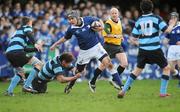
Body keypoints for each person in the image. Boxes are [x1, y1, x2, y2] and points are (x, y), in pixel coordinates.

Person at [50, 10, 122, 94]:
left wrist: (102, 27)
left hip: (96, 47)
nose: (70, 21)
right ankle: (70, 85)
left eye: (72, 19)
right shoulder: (71, 29)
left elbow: (99, 20)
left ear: (77, 17)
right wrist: (55, 44)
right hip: (84, 52)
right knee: (78, 72)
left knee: (109, 64)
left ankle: (121, 85)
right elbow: (65, 38)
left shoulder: (87, 19)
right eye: (69, 19)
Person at [117, 0, 177, 98]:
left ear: (141, 9)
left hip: (143, 50)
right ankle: (162, 93)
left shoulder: (139, 20)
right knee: (166, 68)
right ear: (152, 8)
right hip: (155, 49)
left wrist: (141, 42)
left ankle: (123, 90)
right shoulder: (156, 18)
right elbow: (167, 31)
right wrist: (172, 23)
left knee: (137, 70)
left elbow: (134, 37)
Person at [88, 7, 128, 92]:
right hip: (108, 46)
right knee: (102, 66)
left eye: (115, 13)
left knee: (124, 63)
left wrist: (121, 37)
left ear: (118, 14)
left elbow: (119, 32)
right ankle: (92, 81)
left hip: (118, 46)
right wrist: (116, 36)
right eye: (112, 13)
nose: (114, 14)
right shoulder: (107, 23)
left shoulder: (119, 21)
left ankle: (114, 80)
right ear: (110, 14)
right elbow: (105, 35)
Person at [4, 16, 43, 96]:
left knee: (20, 72)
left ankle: (9, 91)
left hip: (9, 53)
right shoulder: (27, 27)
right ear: (29, 22)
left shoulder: (18, 32)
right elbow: (29, 33)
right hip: (17, 52)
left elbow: (25, 49)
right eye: (31, 22)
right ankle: (27, 85)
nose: (31, 24)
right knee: (39, 64)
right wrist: (35, 44)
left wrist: (36, 49)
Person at [165, 12, 180, 86]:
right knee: (170, 68)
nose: (172, 19)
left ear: (177, 18)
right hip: (171, 48)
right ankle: (177, 75)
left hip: (179, 47)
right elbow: (166, 38)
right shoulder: (170, 27)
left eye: (174, 17)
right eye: (171, 17)